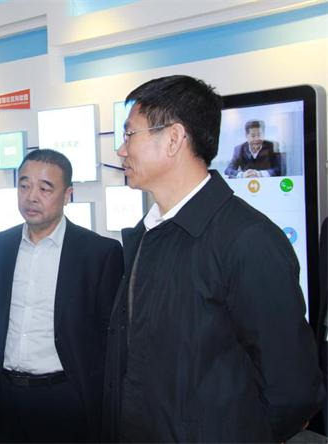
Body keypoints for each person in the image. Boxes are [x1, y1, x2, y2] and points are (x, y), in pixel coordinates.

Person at [103, 75, 324, 443]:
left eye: (129, 134)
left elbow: (293, 389)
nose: (121, 150)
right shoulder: (148, 235)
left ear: (173, 138)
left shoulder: (248, 239)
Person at [0, 149, 124, 443]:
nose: (31, 197)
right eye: (24, 185)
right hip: (7, 394)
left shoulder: (99, 253)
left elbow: (109, 339)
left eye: (45, 188)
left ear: (68, 194)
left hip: (65, 397)